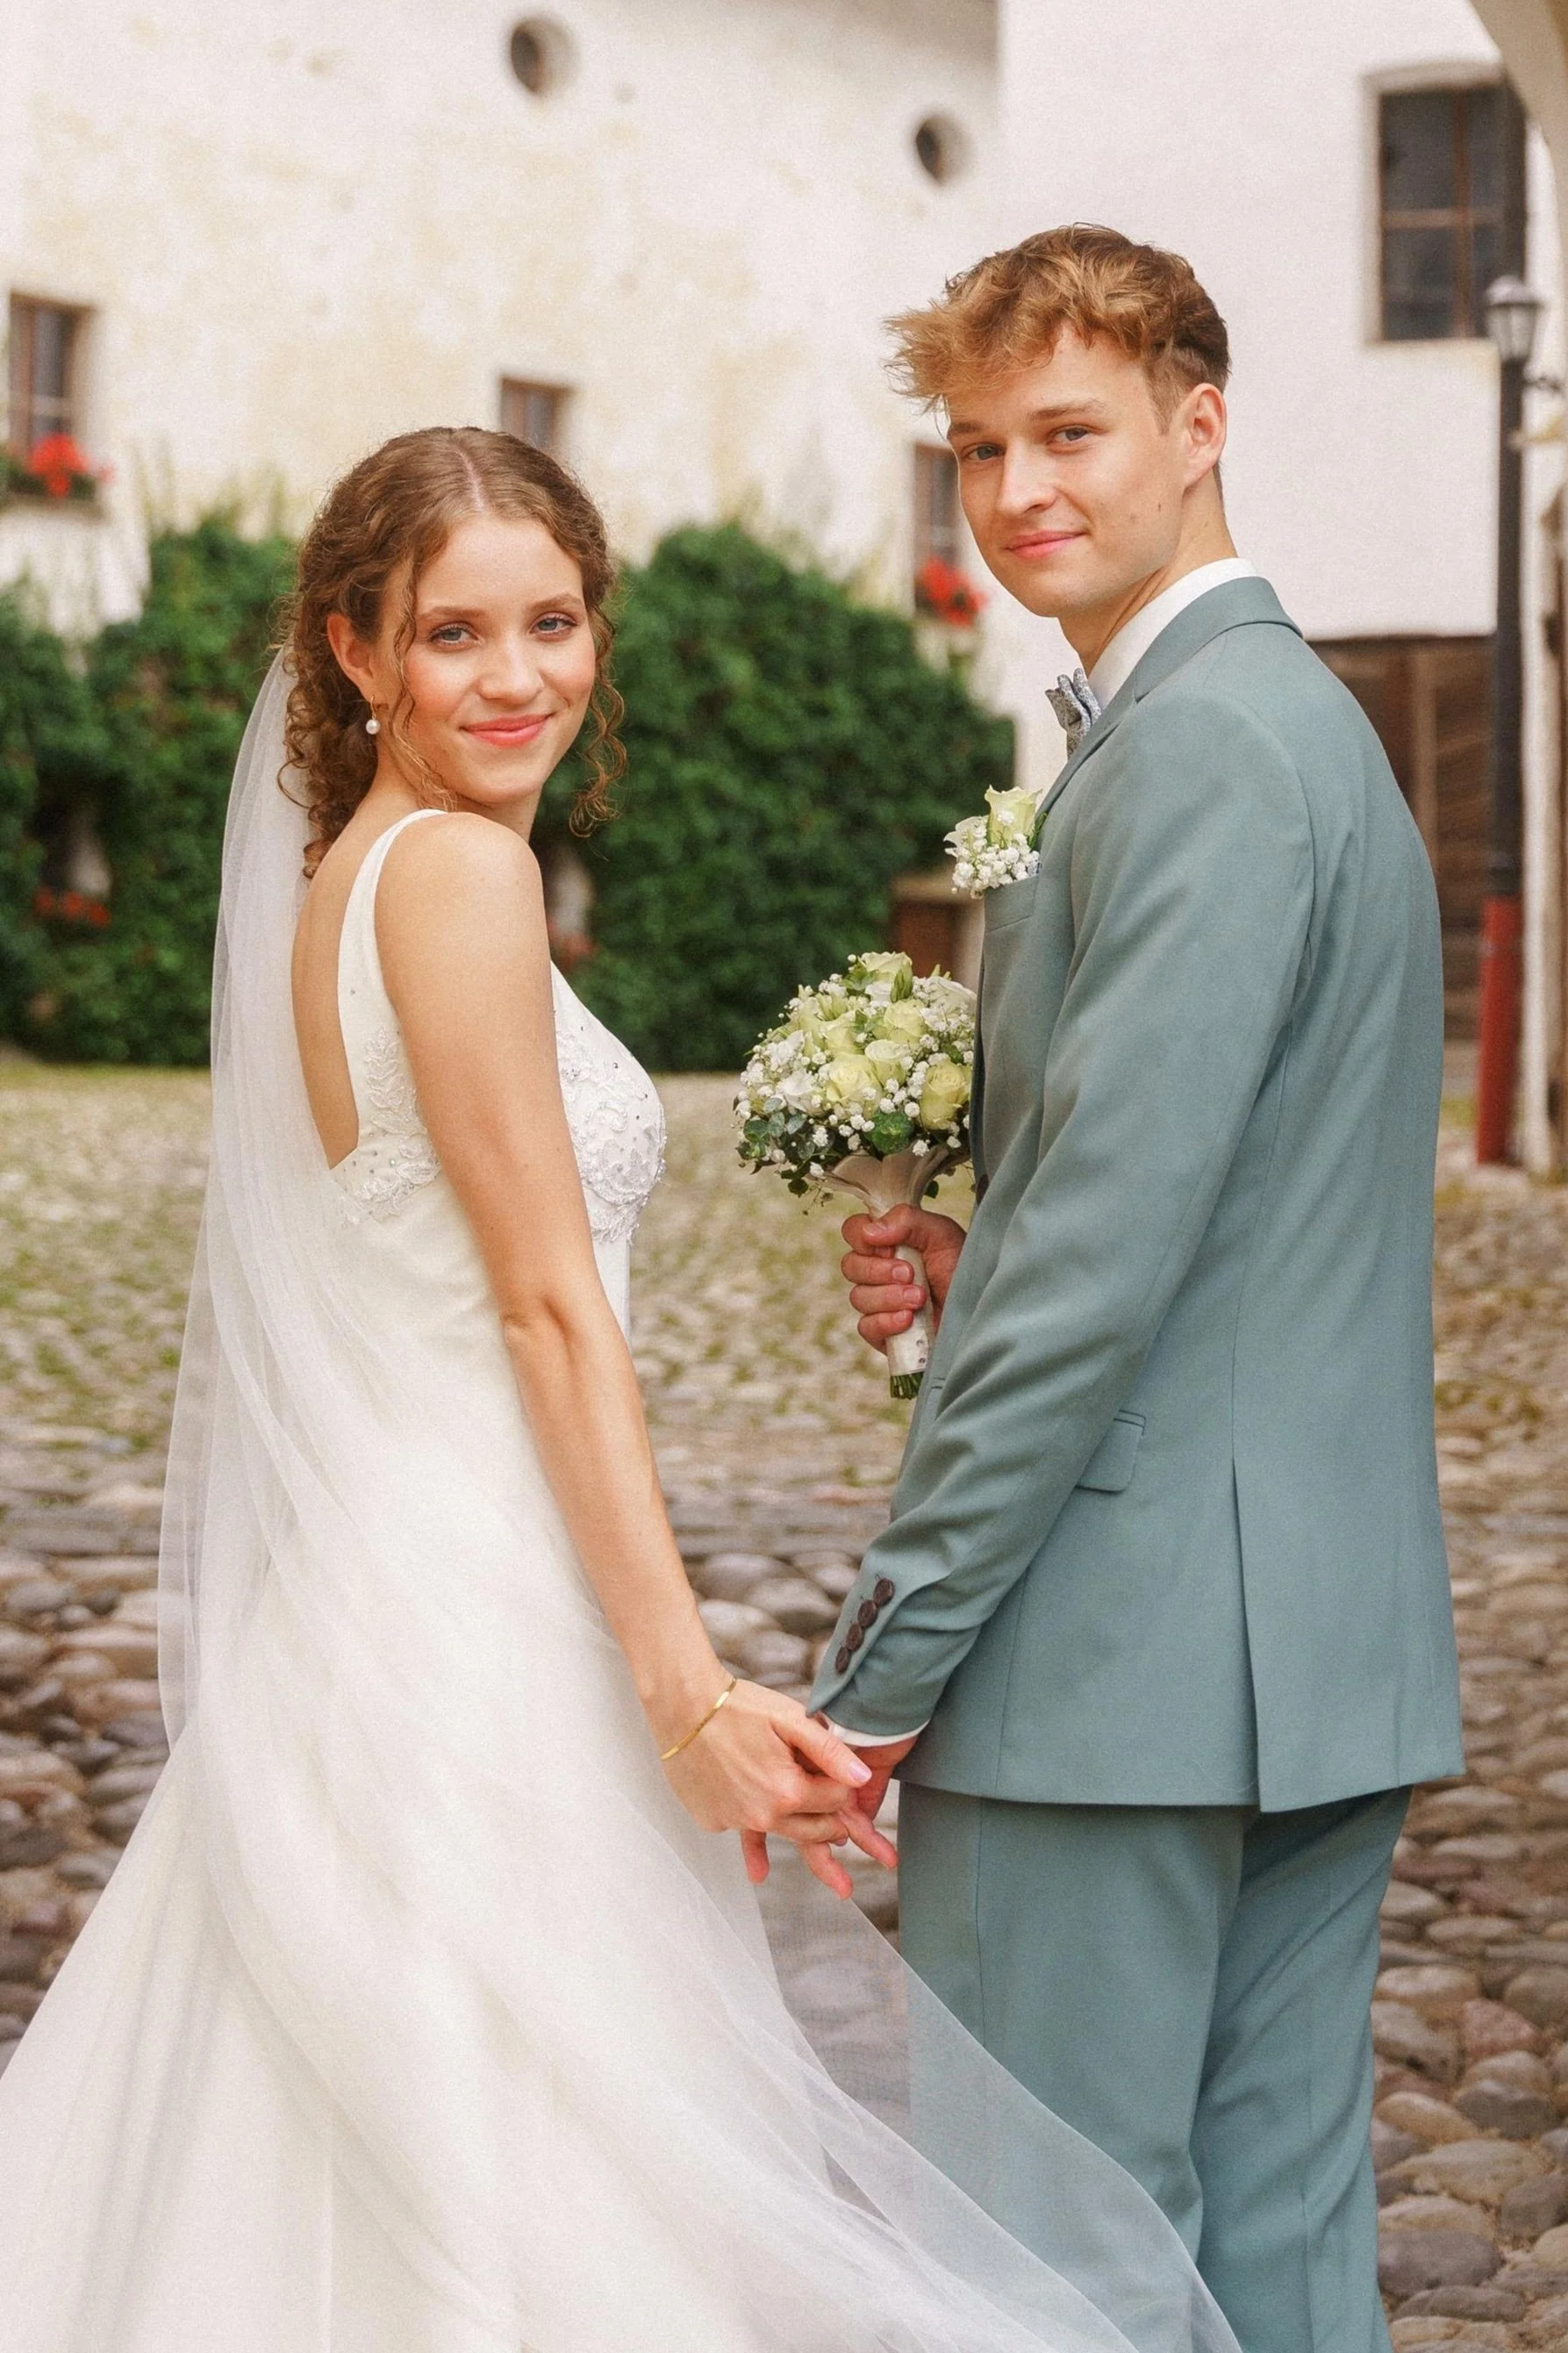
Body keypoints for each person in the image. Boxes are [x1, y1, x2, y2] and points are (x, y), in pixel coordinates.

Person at [0, 425, 1241, 2353]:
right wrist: (687, 1694)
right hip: (476, 1602)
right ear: (354, 651)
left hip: (381, 1585)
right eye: (454, 634)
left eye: (553, 621)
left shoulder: (357, 870)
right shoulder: (460, 885)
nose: (517, 677)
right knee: (520, 2144)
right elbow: (547, 1314)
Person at [819, 226, 1464, 2353]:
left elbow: (1097, 1261)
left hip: (1109, 1670)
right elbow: (1218, 1204)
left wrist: (888, 1656)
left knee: (1043, 2261)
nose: (1016, 492)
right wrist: (946, 1258)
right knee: (1273, 2247)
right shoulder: (1299, 729)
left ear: (1199, 427)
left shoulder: (1189, 750)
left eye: (1068, 431)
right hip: (1310, 1649)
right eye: (977, 450)